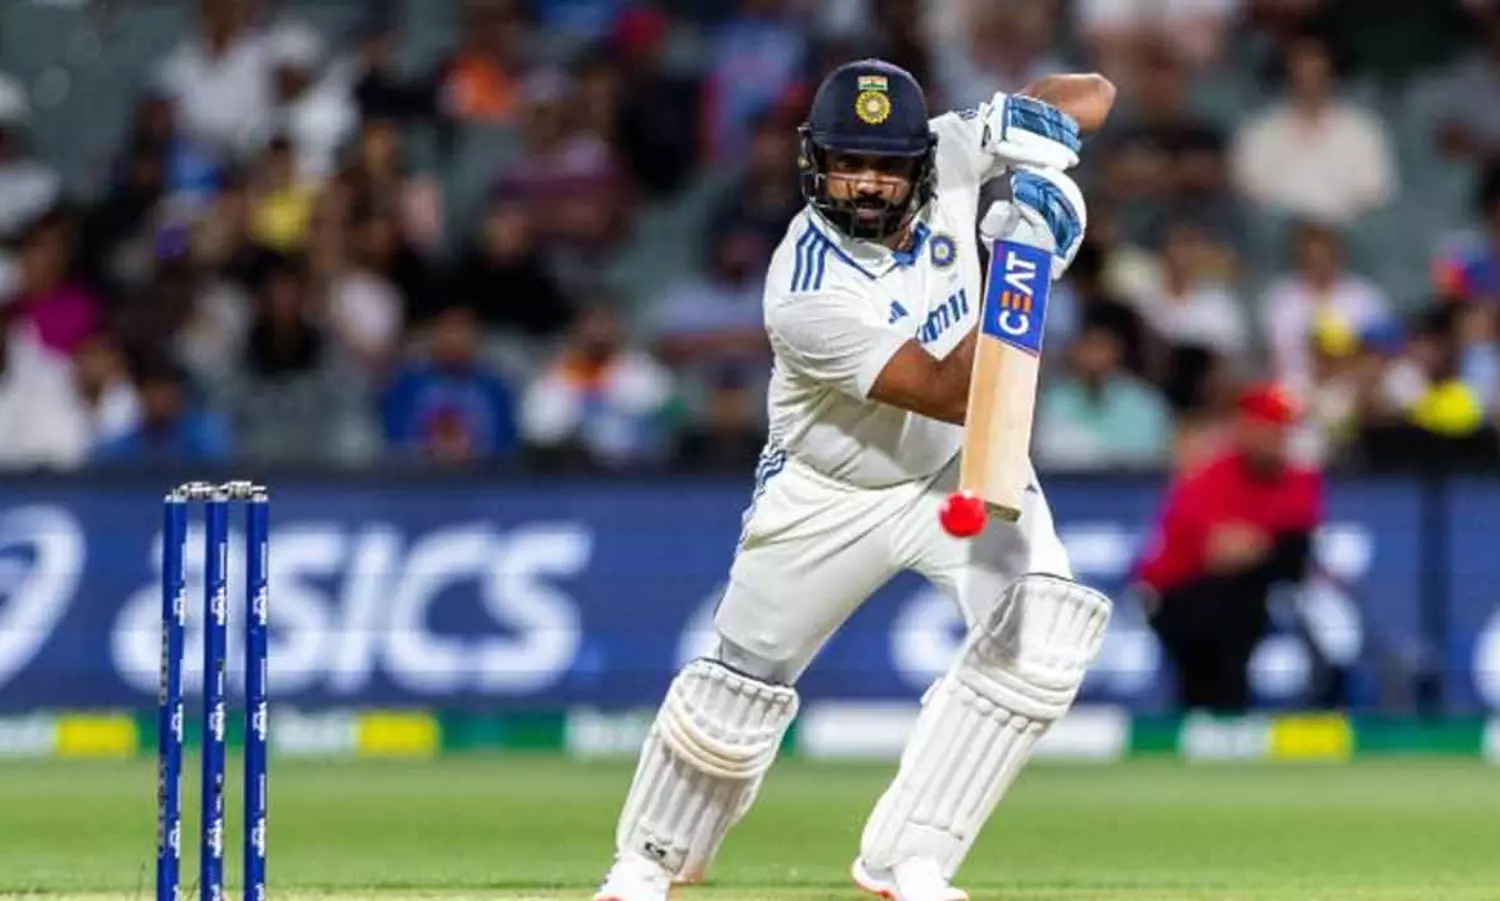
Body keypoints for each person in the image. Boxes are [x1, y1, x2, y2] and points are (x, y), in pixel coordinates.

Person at [592, 59, 1116, 901]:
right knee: (740, 686)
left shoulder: (952, 151)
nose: (866, 183)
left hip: (955, 469)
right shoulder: (805, 293)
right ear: (816, 163)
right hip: (829, 491)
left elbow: (1095, 94)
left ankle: (910, 860)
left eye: (885, 165)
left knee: (1042, 639)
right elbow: (956, 388)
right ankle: (650, 859)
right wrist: (1028, 256)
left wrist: (1039, 123)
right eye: (848, 164)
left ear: (920, 162)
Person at [1132, 381, 1324, 712]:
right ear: (1246, 428)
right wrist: (1262, 542)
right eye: (1267, 427)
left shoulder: (1297, 477)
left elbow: (1295, 543)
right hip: (1177, 590)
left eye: (1281, 429)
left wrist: (1254, 543)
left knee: (1258, 590)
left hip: (1246, 592)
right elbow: (1218, 554)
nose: (1276, 438)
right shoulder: (1210, 475)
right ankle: (1211, 710)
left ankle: (1233, 707)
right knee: (1223, 615)